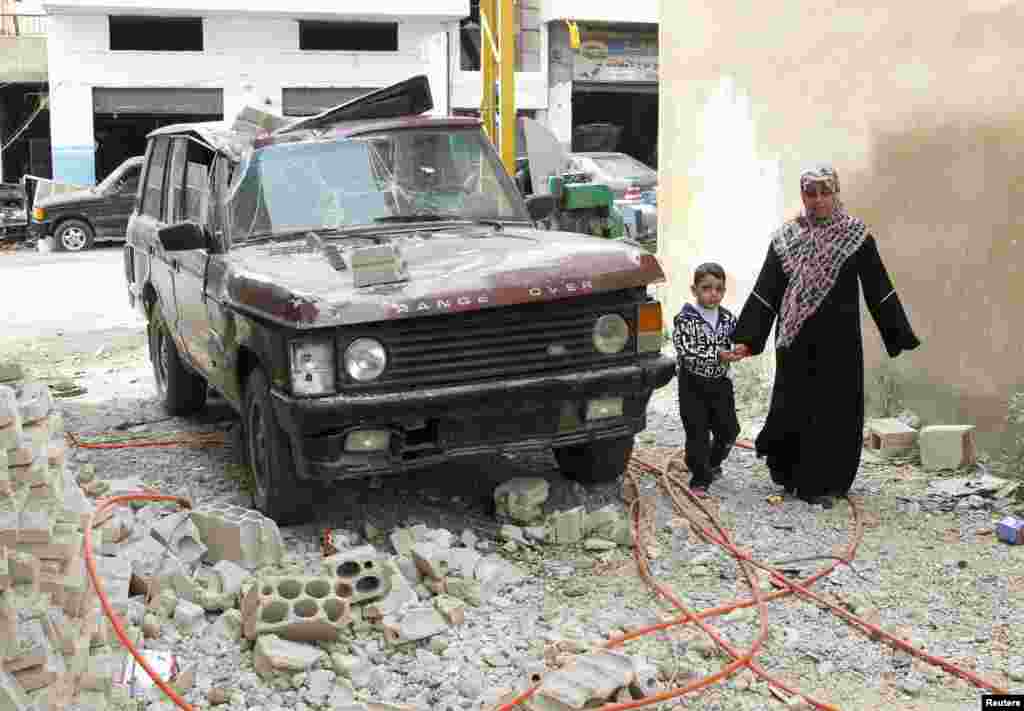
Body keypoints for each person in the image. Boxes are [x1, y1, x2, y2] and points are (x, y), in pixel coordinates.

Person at [731, 164, 920, 508]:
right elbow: (767, 290)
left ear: (835, 193)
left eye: (824, 192)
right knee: (795, 404)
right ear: (802, 195)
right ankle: (790, 474)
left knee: (836, 407)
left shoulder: (855, 236)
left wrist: (898, 333)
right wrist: (747, 338)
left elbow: (878, 286)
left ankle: (830, 480)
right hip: (795, 340)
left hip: (839, 341)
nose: (818, 200)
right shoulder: (787, 238)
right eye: (810, 193)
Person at [673, 262, 744, 498]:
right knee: (697, 432)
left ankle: (711, 462)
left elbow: (736, 340)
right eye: (706, 288)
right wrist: (719, 355)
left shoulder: (727, 319)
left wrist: (738, 350)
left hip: (720, 382)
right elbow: (686, 349)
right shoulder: (685, 319)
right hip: (692, 384)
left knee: (729, 429)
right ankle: (699, 478)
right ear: (694, 291)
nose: (713, 294)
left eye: (719, 289)